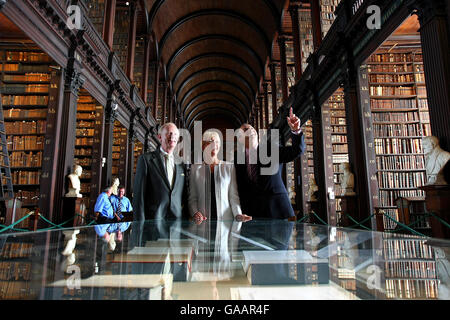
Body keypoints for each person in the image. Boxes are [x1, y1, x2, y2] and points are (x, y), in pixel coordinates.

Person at [234, 107, 306, 219]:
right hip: (252, 214)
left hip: (278, 208)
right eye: (246, 129)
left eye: (253, 129)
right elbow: (238, 188)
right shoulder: (236, 159)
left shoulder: (271, 149)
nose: (251, 131)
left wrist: (296, 130)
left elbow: (297, 151)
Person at [188, 130, 252, 223]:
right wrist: (195, 213)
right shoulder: (195, 168)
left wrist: (238, 214)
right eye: (209, 142)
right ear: (203, 147)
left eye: (216, 142)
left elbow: (233, 196)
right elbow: (192, 198)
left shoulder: (229, 167)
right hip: (202, 222)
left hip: (226, 221)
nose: (213, 145)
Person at [132, 122, 187, 221]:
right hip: (153, 221)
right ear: (160, 137)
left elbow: (184, 195)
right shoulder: (146, 160)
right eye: (169, 133)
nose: (172, 137)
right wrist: (139, 226)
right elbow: (138, 197)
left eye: (175, 134)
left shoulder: (181, 164)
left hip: (177, 223)